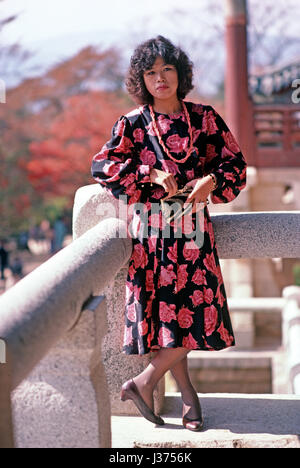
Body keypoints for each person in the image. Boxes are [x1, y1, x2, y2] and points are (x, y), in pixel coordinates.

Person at [91, 35, 247, 431]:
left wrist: (210, 181)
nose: (160, 78)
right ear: (141, 79)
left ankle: (142, 383)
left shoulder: (205, 118)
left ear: (181, 73)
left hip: (194, 233)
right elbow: (103, 167)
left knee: (196, 314)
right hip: (152, 236)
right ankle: (188, 397)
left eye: (168, 69)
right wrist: (149, 173)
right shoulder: (132, 123)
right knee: (166, 321)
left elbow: (236, 168)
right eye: (151, 72)